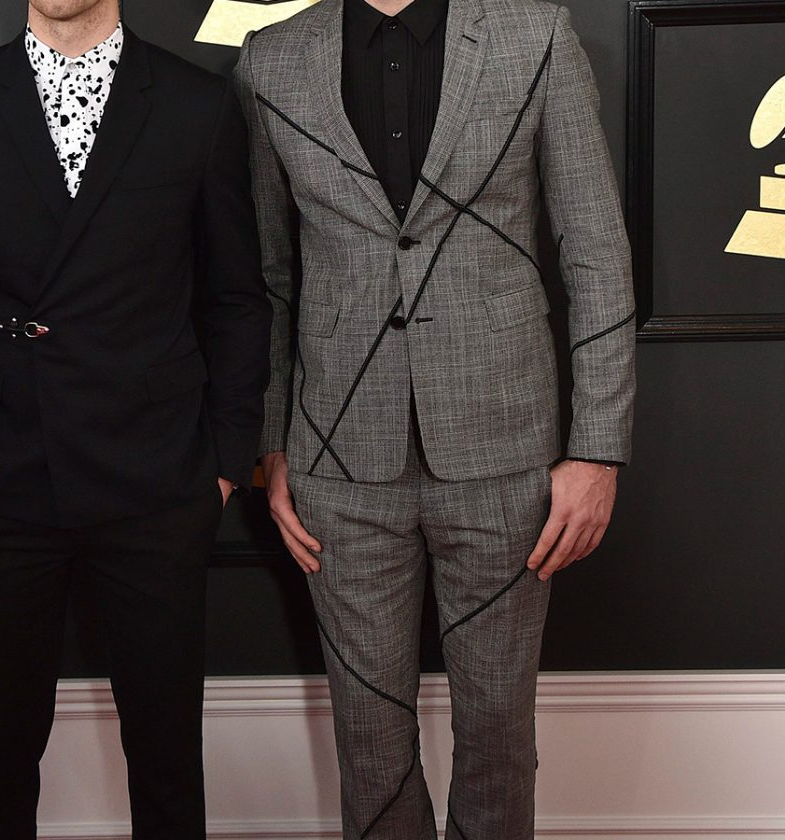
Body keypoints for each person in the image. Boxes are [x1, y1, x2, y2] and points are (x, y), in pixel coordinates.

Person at [233, 0, 635, 837]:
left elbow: (597, 253)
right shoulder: (271, 59)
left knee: (498, 739)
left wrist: (598, 450)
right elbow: (269, 276)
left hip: (506, 451)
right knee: (369, 750)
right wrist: (272, 444)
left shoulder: (535, 37)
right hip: (338, 460)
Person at [0, 0, 271, 836]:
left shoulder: (196, 104)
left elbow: (236, 299)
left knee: (166, 764)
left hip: (156, 482)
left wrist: (223, 463)